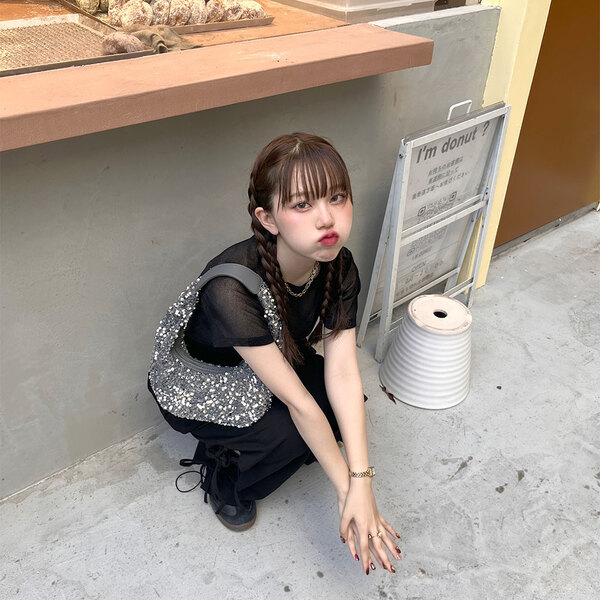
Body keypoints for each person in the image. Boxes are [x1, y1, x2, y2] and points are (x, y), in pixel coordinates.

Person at [148, 133, 402, 575]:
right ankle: (225, 479)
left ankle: (264, 449)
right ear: (267, 219)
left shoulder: (337, 264)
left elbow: (344, 373)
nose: (327, 218)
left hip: (270, 364)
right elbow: (298, 403)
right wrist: (349, 491)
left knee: (342, 409)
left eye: (337, 197)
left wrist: (362, 481)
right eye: (302, 204)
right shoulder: (230, 288)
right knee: (290, 435)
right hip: (205, 384)